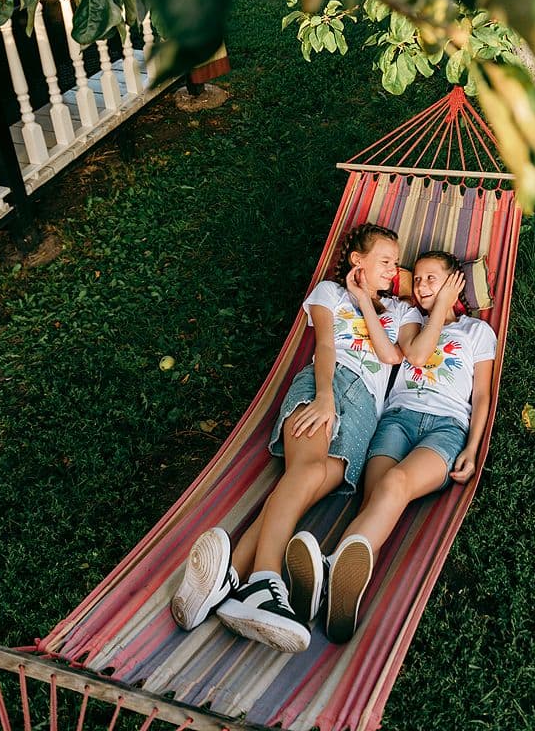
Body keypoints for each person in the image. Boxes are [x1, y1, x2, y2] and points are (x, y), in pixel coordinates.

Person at [170, 223, 422, 653]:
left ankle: (225, 579)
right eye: (384, 261)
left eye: (396, 263)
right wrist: (324, 396)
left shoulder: (402, 312)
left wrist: (364, 300)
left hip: (364, 410)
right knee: (305, 469)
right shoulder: (329, 293)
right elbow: (325, 345)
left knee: (306, 480)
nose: (393, 269)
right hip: (325, 382)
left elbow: (393, 356)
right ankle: (263, 582)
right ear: (357, 262)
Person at [284, 250, 497, 643]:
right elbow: (415, 354)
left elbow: (483, 395)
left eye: (433, 279)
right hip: (395, 420)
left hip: (446, 429)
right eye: (416, 279)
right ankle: (339, 605)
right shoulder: (412, 321)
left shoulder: (478, 333)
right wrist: (438, 307)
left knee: (395, 485)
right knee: (375, 506)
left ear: (456, 283)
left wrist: (472, 445)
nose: (421, 286)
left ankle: (328, 572)